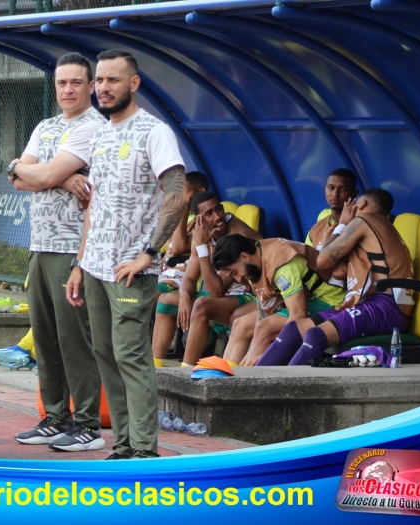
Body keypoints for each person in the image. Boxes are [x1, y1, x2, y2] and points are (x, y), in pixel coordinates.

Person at [66, 49, 187, 459]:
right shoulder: (100, 134)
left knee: (132, 357)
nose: (103, 88)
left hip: (132, 270)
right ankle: (123, 445)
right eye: (99, 80)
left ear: (134, 83)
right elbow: (94, 205)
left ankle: (145, 452)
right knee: (105, 355)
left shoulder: (154, 131)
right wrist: (79, 263)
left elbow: (177, 194)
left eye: (113, 80)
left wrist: (149, 253)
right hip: (95, 268)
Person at [8, 53, 106, 452]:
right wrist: (63, 180)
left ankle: (87, 424)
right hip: (39, 245)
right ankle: (55, 417)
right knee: (45, 338)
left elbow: (35, 173)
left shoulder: (93, 126)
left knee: (73, 340)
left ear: (91, 87)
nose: (68, 89)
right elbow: (17, 179)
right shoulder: (45, 126)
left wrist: (35, 172)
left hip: (72, 249)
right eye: (62, 83)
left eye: (76, 82)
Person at [262, 189, 414, 365]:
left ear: (362, 203)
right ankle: (257, 379)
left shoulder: (364, 220)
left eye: (353, 203)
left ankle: (289, 382)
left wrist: (341, 225)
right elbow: (338, 272)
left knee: (315, 335)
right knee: (293, 330)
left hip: (386, 306)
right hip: (371, 304)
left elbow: (322, 260)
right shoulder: (377, 229)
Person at [151, 191, 261, 368]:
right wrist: (184, 296)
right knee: (165, 300)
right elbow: (189, 278)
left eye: (219, 209)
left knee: (202, 304)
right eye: (209, 213)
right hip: (220, 299)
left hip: (249, 298)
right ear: (199, 219)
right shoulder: (202, 236)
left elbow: (217, 291)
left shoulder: (236, 234)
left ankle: (186, 373)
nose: (217, 217)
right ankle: (155, 369)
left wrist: (202, 248)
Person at [211, 234, 346, 366]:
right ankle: (225, 372)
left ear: (245, 256)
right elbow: (263, 314)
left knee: (265, 328)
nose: (238, 279)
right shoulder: (254, 258)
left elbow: (298, 314)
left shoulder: (281, 265)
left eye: (235, 272)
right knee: (240, 325)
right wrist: (245, 361)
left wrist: (271, 351)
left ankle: (250, 377)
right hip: (308, 300)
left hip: (332, 301)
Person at [306, 168, 359, 250]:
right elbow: (306, 255)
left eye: (344, 189)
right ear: (325, 189)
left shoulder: (360, 223)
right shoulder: (317, 227)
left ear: (355, 193)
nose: (335, 194)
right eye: (331, 188)